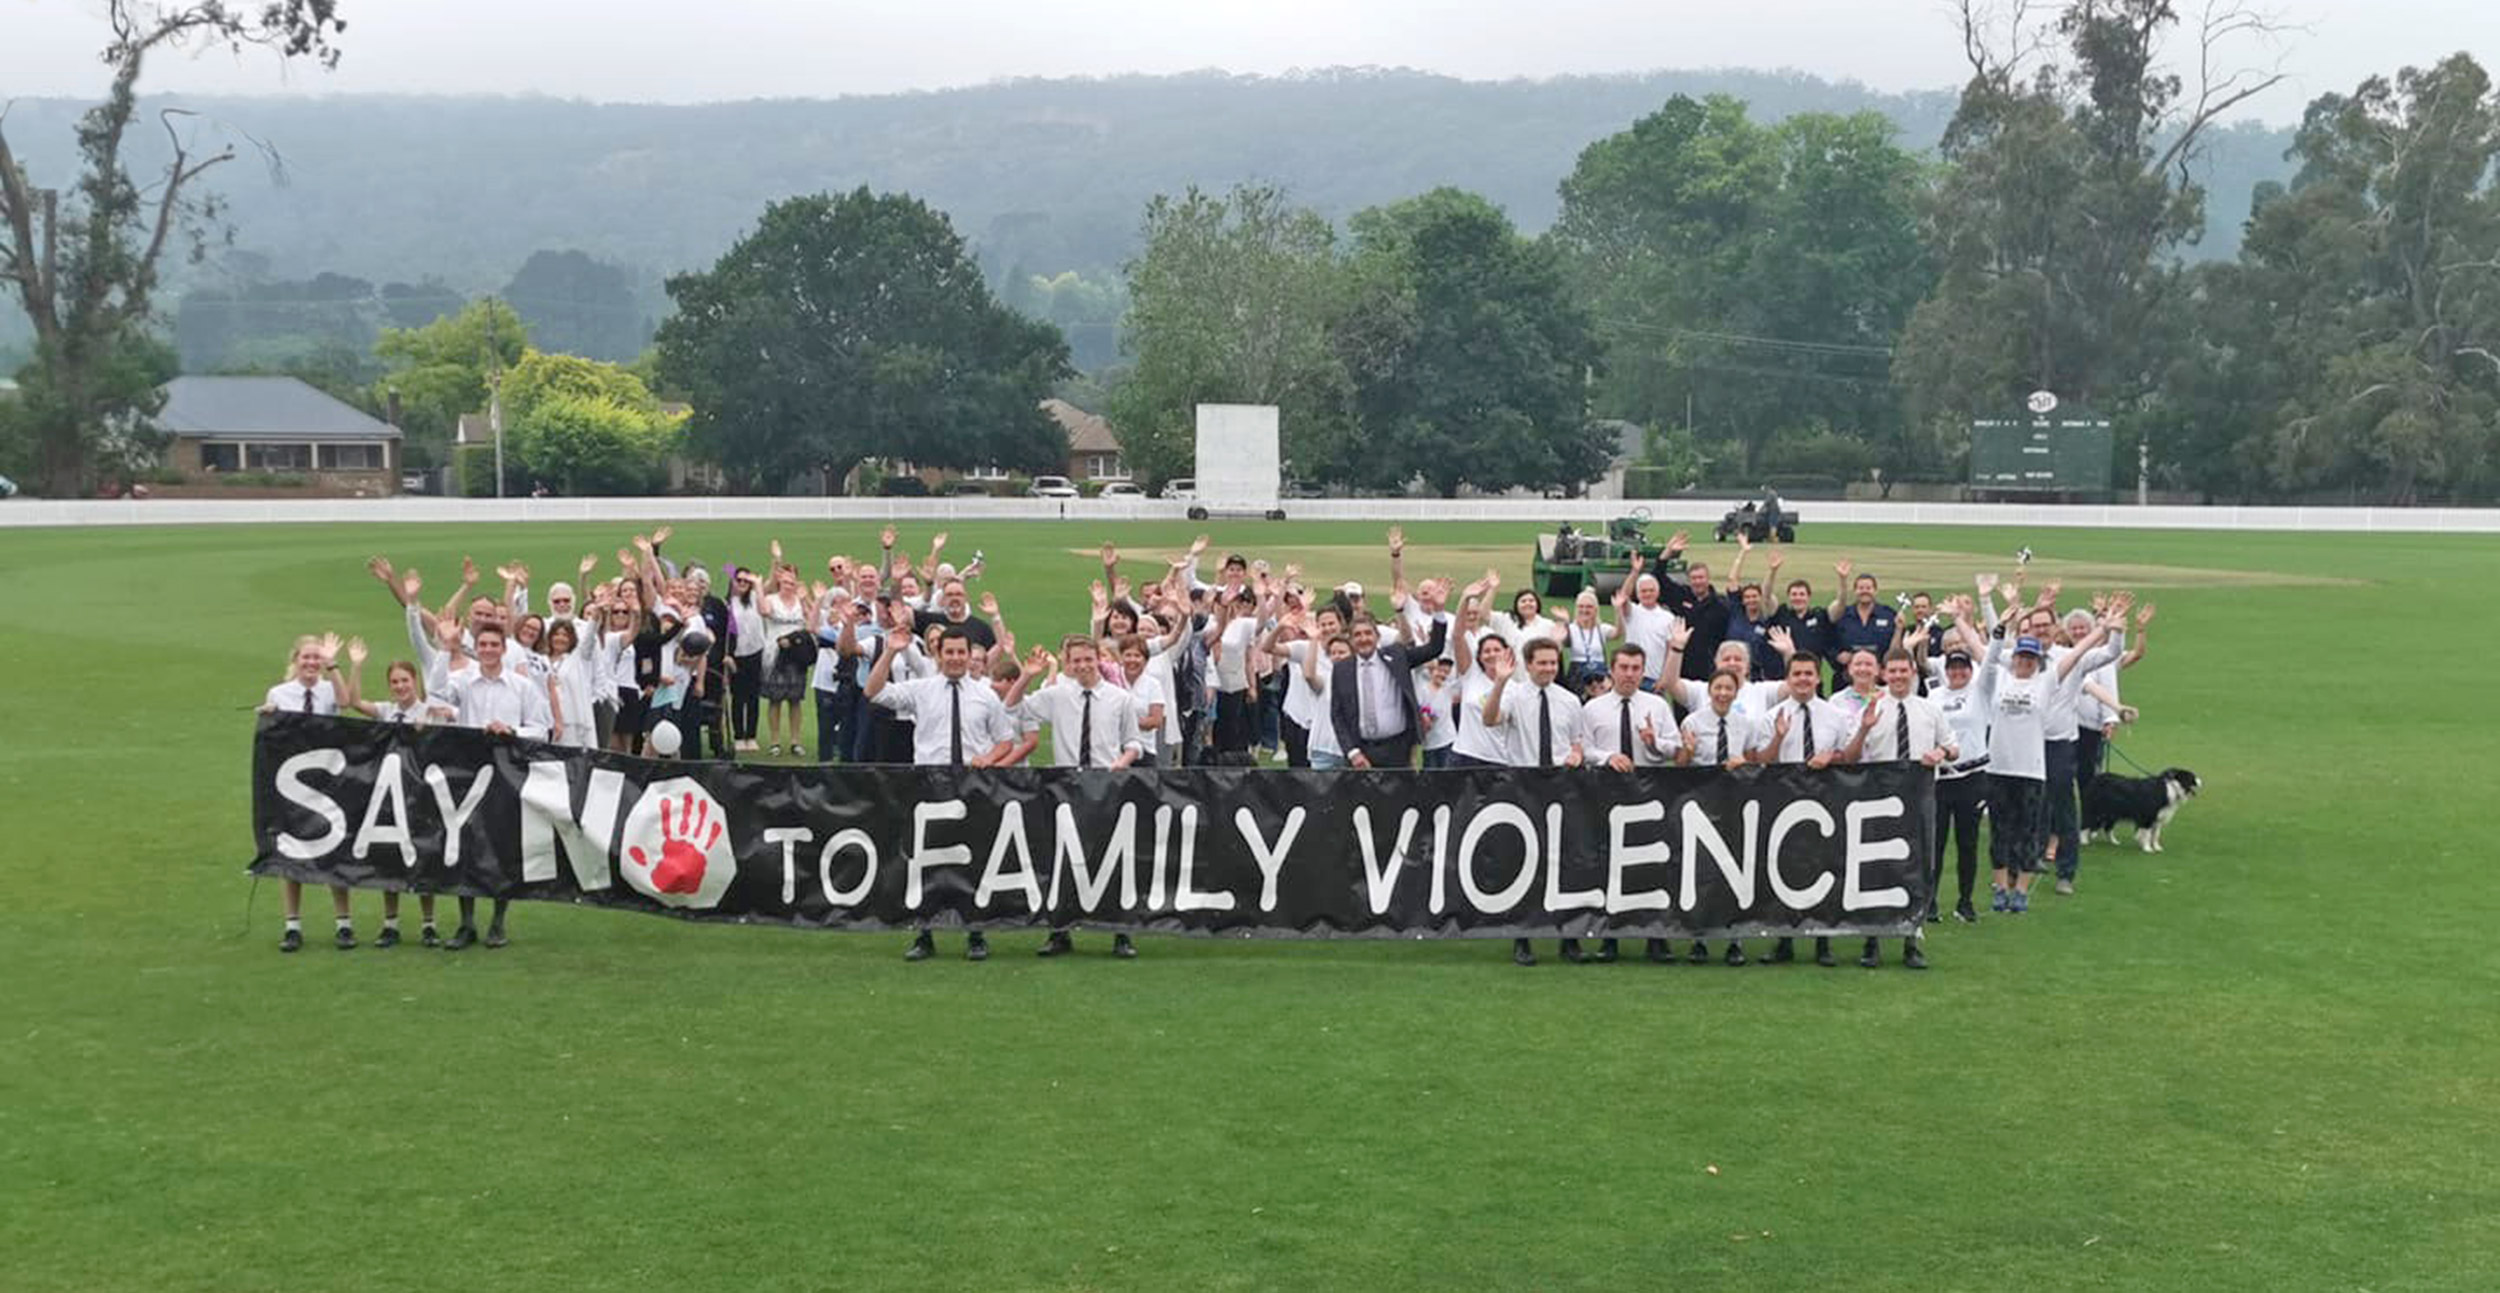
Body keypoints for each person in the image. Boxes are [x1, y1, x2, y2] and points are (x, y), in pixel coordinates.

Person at [866, 623, 1014, 961]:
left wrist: (989, 757)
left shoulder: (985, 694)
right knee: (927, 861)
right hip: (930, 786)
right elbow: (873, 692)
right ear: (938, 654)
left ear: (969, 655)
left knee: (973, 861)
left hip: (973, 787)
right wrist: (890, 651)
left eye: (962, 652)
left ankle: (975, 933)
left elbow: (1006, 740)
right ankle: (925, 934)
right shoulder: (921, 689)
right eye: (949, 652)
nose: (956, 658)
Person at [1008, 637, 1146, 959]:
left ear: (1098, 659)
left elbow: (1134, 743)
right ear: (1068, 663)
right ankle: (1059, 932)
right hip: (1066, 785)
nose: (1083, 666)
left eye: (1088, 659)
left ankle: (1120, 933)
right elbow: (1013, 706)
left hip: (1106, 785)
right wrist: (1027, 675)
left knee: (1111, 859)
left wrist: (1120, 764)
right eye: (1076, 661)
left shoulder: (1119, 699)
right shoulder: (1058, 695)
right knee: (1063, 861)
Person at [1745, 653, 1872, 967]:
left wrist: (1832, 756)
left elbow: (1851, 758)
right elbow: (1762, 761)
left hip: (1824, 802)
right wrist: (1778, 737)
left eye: (1808, 674)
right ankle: (1784, 940)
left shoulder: (1835, 716)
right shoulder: (1771, 717)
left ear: (1818, 678)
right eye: (1797, 674)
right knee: (1781, 868)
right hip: (1782, 802)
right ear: (1788, 679)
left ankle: (1822, 941)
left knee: (1823, 868)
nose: (1802, 679)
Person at [437, 622, 550, 950]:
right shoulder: (463, 681)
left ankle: (498, 921)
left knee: (501, 844)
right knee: (465, 844)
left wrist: (512, 730)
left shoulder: (522, 687)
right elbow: (435, 692)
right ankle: (466, 922)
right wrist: (447, 648)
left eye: (493, 645)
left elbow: (541, 729)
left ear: (503, 649)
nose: (487, 650)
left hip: (506, 772)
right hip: (468, 770)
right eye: (482, 644)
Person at [1849, 649, 1956, 969]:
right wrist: (1865, 728)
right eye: (1892, 671)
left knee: (1919, 864)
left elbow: (1954, 746)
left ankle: (1912, 938)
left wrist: (1940, 752)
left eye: (1903, 671)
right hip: (1879, 797)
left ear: (1912, 672)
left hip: (1920, 795)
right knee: (1877, 866)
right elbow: (1851, 755)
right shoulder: (1871, 709)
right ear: (1884, 674)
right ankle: (1873, 940)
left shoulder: (1929, 709)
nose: (1897, 677)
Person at [340, 643, 451, 946]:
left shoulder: (430, 711)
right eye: (395, 682)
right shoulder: (387, 712)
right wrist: (357, 666)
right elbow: (352, 702)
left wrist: (429, 726)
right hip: (389, 796)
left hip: (422, 795)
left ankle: (429, 924)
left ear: (415, 681)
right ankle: (391, 924)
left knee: (424, 855)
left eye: (405, 680)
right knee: (389, 859)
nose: (400, 686)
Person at [1579, 642, 1683, 964]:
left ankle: (1656, 937)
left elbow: (1677, 748)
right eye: (1623, 667)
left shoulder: (1657, 705)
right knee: (1610, 867)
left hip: (1650, 795)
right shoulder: (1593, 708)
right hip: (1607, 797)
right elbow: (1583, 749)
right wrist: (1608, 756)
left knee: (1652, 867)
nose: (1629, 674)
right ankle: (1610, 937)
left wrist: (1656, 741)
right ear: (1612, 669)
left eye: (1636, 668)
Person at [1484, 638, 1585, 966]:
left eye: (1553, 663)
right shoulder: (1513, 693)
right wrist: (1499, 682)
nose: (1548, 669)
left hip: (1561, 786)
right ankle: (1522, 937)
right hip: (1524, 787)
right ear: (1529, 664)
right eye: (1542, 663)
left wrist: (1575, 755)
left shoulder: (1569, 700)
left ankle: (1568, 937)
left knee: (1564, 862)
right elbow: (1490, 719)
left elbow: (1577, 742)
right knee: (1525, 862)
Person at [262, 633, 358, 952]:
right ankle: (292, 925)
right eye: (307, 657)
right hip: (292, 784)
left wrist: (334, 666)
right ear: (295, 660)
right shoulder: (280, 692)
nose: (312, 663)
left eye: (317, 658)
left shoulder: (329, 689)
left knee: (334, 848)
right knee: (292, 851)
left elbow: (346, 703)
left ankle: (344, 923)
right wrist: (268, 716)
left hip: (327, 782)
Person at [1330, 611, 1451, 770]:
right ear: (1351, 641)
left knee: (1400, 795)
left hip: (1397, 750)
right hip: (1362, 753)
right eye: (1357, 635)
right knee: (1362, 796)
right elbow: (1337, 715)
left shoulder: (1396, 657)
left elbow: (1434, 648)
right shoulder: (1342, 669)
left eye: (1368, 633)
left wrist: (1439, 611)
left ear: (1377, 637)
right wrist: (1352, 752)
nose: (1364, 639)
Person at [758, 558, 811, 757]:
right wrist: (759, 585)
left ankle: (795, 741)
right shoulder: (771, 599)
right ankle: (774, 742)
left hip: (797, 654)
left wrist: (805, 599)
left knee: (795, 699)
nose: (789, 586)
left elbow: (811, 620)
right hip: (775, 653)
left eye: (792, 582)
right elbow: (763, 611)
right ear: (780, 582)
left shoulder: (800, 600)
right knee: (775, 699)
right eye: (786, 582)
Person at [726, 565, 767, 754]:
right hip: (737, 656)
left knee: (753, 697)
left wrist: (776, 561)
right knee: (738, 697)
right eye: (739, 580)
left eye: (746, 581)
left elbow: (766, 600)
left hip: (755, 652)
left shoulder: (754, 598)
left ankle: (751, 736)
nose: (742, 584)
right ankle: (738, 736)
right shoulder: (728, 603)